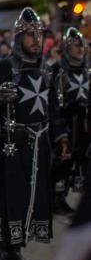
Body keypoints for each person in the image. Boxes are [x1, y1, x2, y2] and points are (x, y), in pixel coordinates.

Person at [0, 7, 68, 260]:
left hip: (38, 143)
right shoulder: (6, 66)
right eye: (30, 35)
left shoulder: (47, 70)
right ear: (19, 38)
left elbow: (54, 108)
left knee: (29, 197)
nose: (36, 40)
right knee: (5, 196)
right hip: (10, 142)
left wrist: (61, 139)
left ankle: (15, 248)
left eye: (39, 35)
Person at [51, 27, 90, 214]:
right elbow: (55, 102)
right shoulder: (59, 70)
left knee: (79, 161)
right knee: (62, 162)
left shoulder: (86, 70)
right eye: (76, 45)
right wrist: (61, 131)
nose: (80, 49)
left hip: (83, 123)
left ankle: (69, 197)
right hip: (66, 123)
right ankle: (56, 197)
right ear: (67, 47)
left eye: (81, 45)